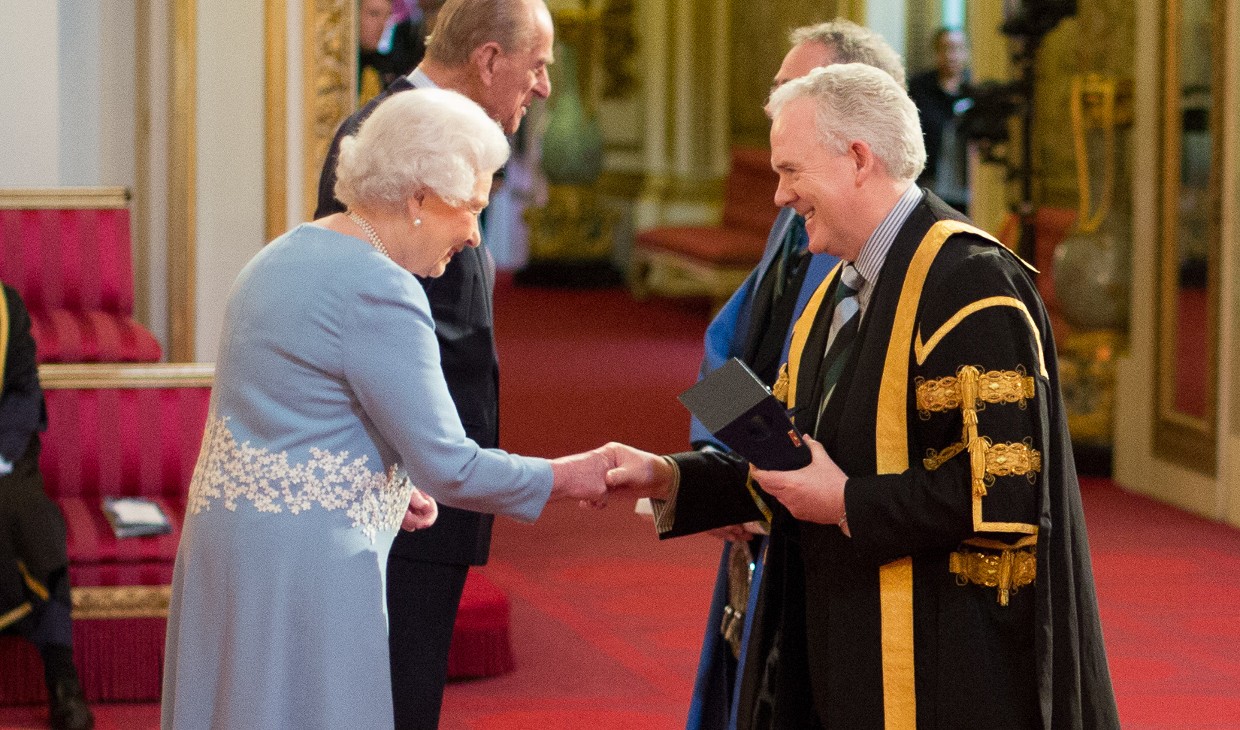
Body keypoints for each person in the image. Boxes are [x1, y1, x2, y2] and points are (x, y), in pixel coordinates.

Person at [606, 63, 1120, 729]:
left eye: (791, 170)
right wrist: (668, 477)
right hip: (843, 641)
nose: (779, 195)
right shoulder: (833, 294)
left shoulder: (971, 286)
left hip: (942, 663)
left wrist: (845, 502)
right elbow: (796, 465)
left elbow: (1007, 494)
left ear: (856, 158)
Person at [161, 88, 607, 730]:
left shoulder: (277, 256)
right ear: (419, 198)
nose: (476, 236)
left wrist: (390, 487)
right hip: (309, 574)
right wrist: (572, 475)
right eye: (472, 208)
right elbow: (452, 467)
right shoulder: (382, 286)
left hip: (227, 554)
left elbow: (290, 422)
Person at [315, 1, 553, 727]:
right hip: (401, 488)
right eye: (535, 65)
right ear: (487, 60)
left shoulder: (445, 137)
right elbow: (373, 327)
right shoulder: (383, 137)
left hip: (438, 481)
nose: (541, 87)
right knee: (387, 702)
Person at [683, 20, 905, 730]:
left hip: (818, 515)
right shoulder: (795, 220)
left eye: (793, 89)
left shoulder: (875, 244)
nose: (773, 103)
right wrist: (722, 465)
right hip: (761, 489)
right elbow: (730, 341)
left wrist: (762, 475)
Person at [0, 284, 94, 730]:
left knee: (35, 524)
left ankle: (62, 681)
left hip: (4, 458)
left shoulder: (5, 307)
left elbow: (23, 391)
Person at [909, 27, 972, 212]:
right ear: (936, 52)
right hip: (930, 183)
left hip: (967, 185)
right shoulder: (919, 88)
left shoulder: (974, 88)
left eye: (958, 48)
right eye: (946, 48)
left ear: (966, 52)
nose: (952, 55)